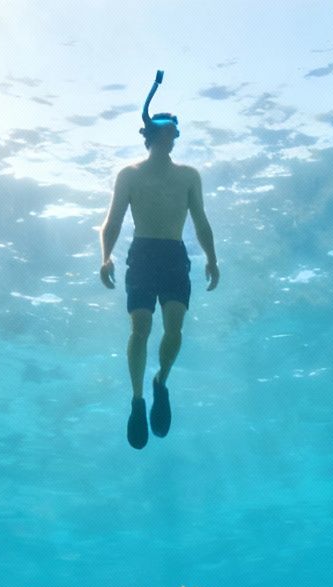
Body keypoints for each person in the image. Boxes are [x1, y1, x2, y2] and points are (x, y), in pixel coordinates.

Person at [99, 98, 219, 449]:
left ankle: (160, 382)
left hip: (173, 253)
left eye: (176, 130)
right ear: (153, 134)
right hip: (144, 252)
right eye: (170, 128)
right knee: (141, 327)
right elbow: (114, 220)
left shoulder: (188, 176)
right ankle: (137, 401)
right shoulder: (130, 175)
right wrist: (105, 258)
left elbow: (200, 221)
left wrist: (212, 258)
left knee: (174, 327)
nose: (175, 134)